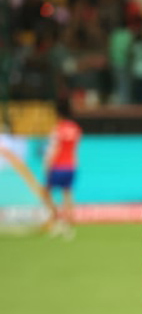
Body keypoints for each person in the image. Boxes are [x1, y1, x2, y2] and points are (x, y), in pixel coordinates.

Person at [41, 98, 82, 238]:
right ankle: (68, 226)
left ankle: (55, 217)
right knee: (68, 194)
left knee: (45, 192)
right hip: (71, 166)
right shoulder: (75, 128)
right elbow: (76, 149)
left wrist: (47, 166)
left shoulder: (57, 129)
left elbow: (54, 150)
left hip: (58, 166)